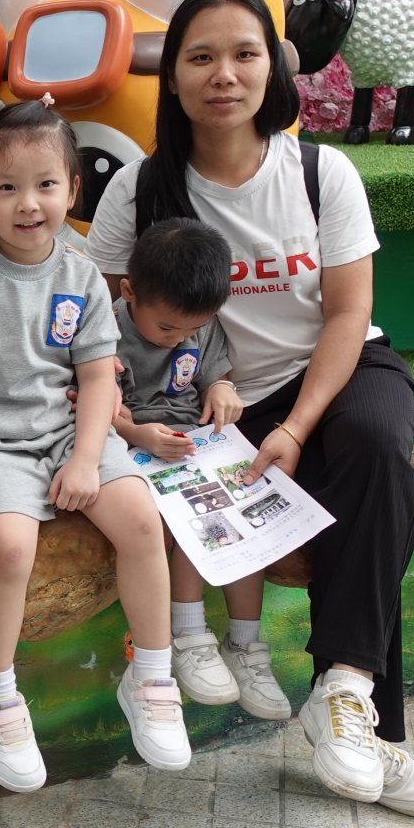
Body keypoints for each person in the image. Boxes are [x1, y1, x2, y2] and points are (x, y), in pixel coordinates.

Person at [84, 0, 414, 818]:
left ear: (274, 67)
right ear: (173, 76)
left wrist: (294, 426)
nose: (224, 74)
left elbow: (348, 314)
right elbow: (102, 322)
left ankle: (345, 692)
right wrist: (128, 417)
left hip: (330, 371)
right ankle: (370, 733)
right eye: (200, 57)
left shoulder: (321, 172)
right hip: (201, 404)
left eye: (244, 53)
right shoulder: (140, 190)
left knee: (377, 454)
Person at [0, 100, 189, 795]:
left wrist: (85, 459)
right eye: (7, 187)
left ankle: (152, 677)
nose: (28, 204)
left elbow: (96, 376)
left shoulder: (81, 268)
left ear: (73, 189)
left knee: (144, 520)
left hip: (70, 433)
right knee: (10, 547)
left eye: (46, 184)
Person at [111, 217, 290, 722]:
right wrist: (138, 434)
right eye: (168, 328)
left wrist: (221, 387)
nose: (179, 339)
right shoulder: (107, 330)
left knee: (246, 509)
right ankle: (189, 637)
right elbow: (99, 408)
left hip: (196, 444)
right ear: (129, 292)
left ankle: (245, 644)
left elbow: (214, 372)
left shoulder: (199, 323)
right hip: (136, 448)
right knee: (192, 518)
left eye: (191, 330)